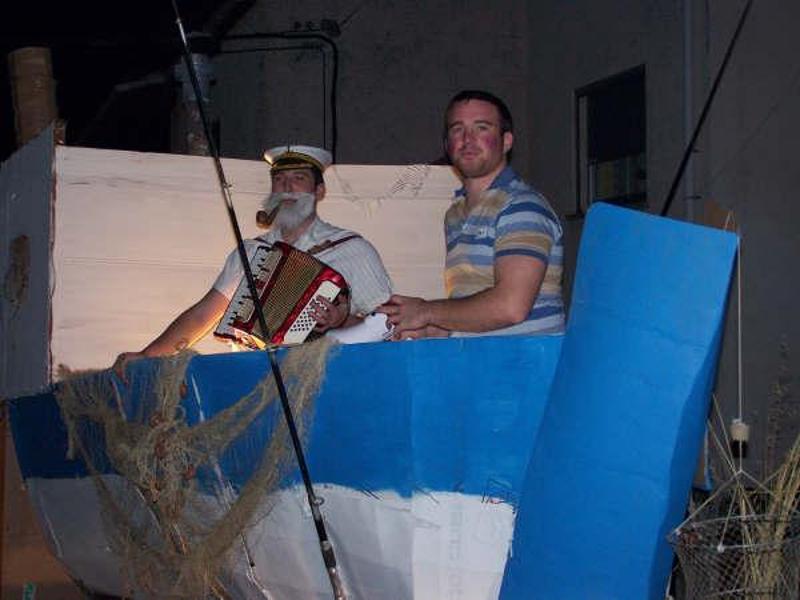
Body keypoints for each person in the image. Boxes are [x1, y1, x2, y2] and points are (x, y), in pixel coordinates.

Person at [113, 145, 392, 377]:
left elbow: (387, 325)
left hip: (325, 377)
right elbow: (202, 315)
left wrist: (340, 320)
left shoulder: (352, 249)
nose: (288, 188)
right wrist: (147, 356)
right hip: (254, 376)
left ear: (319, 191)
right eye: (279, 179)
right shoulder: (250, 252)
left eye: (299, 178)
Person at [378, 90, 564, 339]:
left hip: (526, 362)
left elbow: (510, 307)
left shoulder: (522, 206)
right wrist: (421, 328)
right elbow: (472, 316)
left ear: (506, 141)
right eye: (457, 129)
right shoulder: (455, 213)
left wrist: (425, 311)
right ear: (447, 144)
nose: (467, 139)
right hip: (485, 359)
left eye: (482, 128)